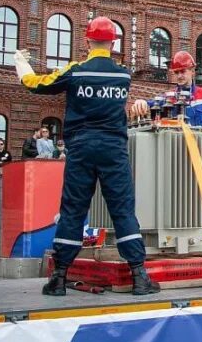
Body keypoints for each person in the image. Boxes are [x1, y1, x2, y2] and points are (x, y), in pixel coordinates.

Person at [16, 16, 159, 296]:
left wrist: (20, 63)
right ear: (113, 43)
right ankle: (139, 277)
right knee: (122, 210)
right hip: (113, 149)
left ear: (87, 40)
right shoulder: (123, 75)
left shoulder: (75, 71)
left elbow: (35, 83)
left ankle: (58, 278)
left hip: (80, 148)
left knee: (73, 210)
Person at [131, 50, 202, 243]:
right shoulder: (169, 98)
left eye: (183, 71)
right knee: (184, 201)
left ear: (192, 71)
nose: (180, 75)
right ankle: (192, 240)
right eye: (177, 71)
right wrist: (140, 103)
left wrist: (200, 136)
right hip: (180, 162)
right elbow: (149, 105)